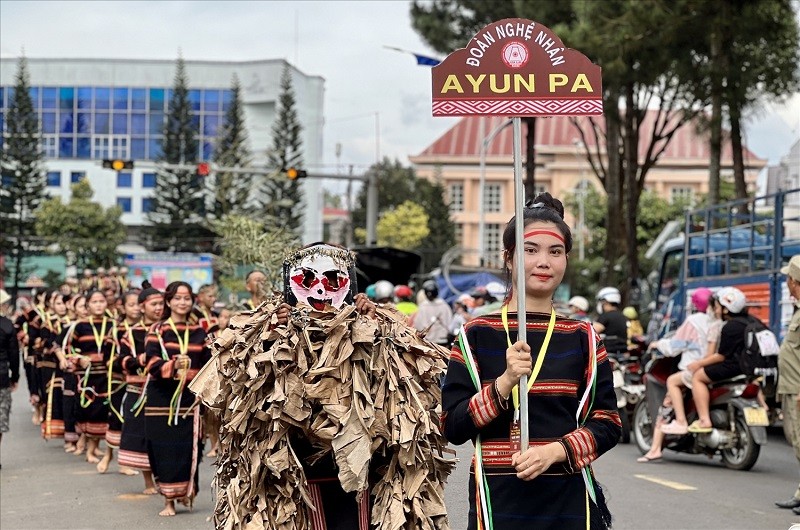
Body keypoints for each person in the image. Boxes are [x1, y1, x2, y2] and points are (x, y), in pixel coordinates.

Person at [190, 242, 452, 529]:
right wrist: (269, 338)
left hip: (361, 468)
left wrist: (376, 331)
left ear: (348, 283)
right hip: (295, 470)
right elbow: (229, 387)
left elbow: (409, 394)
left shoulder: (372, 324)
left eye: (332, 280)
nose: (320, 291)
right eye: (307, 279)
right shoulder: (270, 328)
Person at [442, 193, 619, 530]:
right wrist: (504, 383)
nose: (544, 262)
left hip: (568, 501)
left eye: (555, 252)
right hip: (497, 502)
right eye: (530, 250)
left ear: (566, 259)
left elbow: (608, 422)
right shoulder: (477, 334)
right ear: (508, 258)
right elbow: (452, 426)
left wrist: (554, 452)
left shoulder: (583, 336)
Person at [144, 281, 211, 517]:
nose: (182, 302)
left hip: (189, 401)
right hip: (160, 399)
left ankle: (185, 492)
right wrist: (173, 366)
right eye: (177, 298)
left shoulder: (200, 332)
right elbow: (150, 364)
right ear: (169, 301)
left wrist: (194, 375)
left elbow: (208, 367)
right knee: (162, 449)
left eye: (186, 298)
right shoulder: (157, 330)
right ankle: (168, 500)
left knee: (188, 447)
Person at [638, 287, 717, 460]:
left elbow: (675, 346)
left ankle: (658, 446)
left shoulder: (694, 321)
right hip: (712, 369)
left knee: (667, 400)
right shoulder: (716, 320)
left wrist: (657, 344)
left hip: (691, 368)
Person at [118, 286, 163, 495]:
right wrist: (140, 360)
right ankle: (148, 482)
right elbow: (122, 361)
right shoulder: (131, 333)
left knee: (162, 436)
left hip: (164, 390)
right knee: (143, 435)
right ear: (142, 307)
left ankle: (165, 478)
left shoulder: (168, 330)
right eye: (154, 304)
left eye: (161, 303)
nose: (158, 308)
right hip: (138, 390)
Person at [688, 286, 749, 433]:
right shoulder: (751, 322)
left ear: (726, 309)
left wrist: (698, 364)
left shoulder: (729, 327)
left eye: (718, 307)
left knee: (698, 377)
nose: (716, 311)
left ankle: (704, 420)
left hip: (733, 367)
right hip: (749, 367)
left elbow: (721, 356)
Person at [97, 290, 141, 475]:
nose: (136, 308)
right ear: (122, 307)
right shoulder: (115, 330)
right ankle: (108, 454)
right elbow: (106, 358)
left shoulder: (148, 329)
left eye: (139, 304)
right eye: (132, 304)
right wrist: (122, 362)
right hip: (117, 381)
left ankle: (125, 458)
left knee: (131, 421)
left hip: (140, 383)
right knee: (115, 417)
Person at [774, 255, 800, 512]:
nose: (787, 284)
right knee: (796, 440)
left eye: (789, 279)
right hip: (791, 387)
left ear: (795, 281)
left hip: (798, 389)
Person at [0, 289, 21, 470]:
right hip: (1, 378)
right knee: (0, 419)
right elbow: (14, 355)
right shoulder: (7, 325)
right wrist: (15, 377)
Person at [411, 280, 453, 347]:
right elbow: (450, 324)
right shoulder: (444, 306)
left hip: (428, 342)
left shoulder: (423, 306)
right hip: (443, 342)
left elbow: (418, 325)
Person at [593, 287, 629, 357]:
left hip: (607, 354)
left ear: (606, 301)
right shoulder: (622, 316)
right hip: (621, 354)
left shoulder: (605, 316)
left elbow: (592, 332)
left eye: (601, 301)